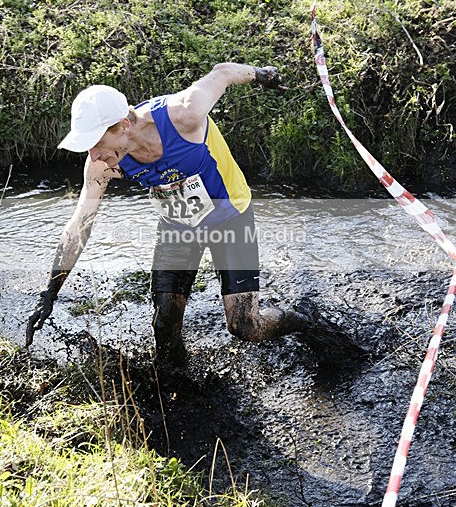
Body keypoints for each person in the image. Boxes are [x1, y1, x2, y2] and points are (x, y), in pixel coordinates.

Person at [26, 63, 362, 368]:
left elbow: (221, 73)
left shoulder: (184, 115)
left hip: (231, 218)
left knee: (244, 326)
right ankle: (181, 389)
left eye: (97, 142)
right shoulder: (101, 164)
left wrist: (261, 74)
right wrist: (50, 293)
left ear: (124, 124)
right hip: (179, 227)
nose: (93, 154)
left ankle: (304, 319)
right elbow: (79, 225)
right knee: (164, 327)